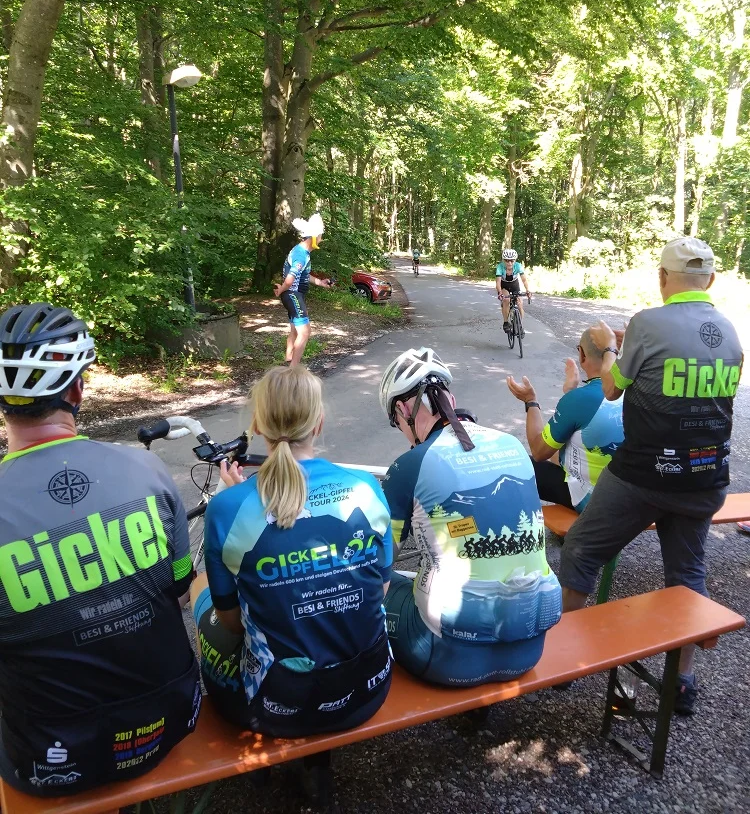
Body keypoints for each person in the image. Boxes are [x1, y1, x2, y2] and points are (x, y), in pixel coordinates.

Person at [0, 304, 200, 797]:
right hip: (170, 719)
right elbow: (180, 588)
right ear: (75, 389)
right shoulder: (148, 472)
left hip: (47, 758)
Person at [558, 238, 743, 715]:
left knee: (582, 549)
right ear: (712, 281)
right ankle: (682, 683)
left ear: (662, 279)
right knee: (687, 575)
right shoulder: (731, 333)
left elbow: (612, 390)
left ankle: (560, 661)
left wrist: (616, 348)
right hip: (705, 479)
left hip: (643, 476)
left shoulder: (646, 322)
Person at [194, 365, 393, 747]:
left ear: (257, 424)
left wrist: (237, 498)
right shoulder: (366, 487)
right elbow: (379, 590)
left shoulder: (229, 508)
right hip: (367, 689)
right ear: (318, 423)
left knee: (203, 595)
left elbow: (233, 624)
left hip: (276, 705)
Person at [379, 348, 561, 687]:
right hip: (529, 650)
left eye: (397, 423)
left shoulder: (410, 464)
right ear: (451, 396)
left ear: (404, 409)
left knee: (376, 591)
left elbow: (378, 566)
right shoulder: (512, 444)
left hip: (444, 661)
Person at [506, 329, 624, 512]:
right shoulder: (637, 389)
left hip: (596, 501)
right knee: (565, 442)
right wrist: (571, 393)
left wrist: (531, 401)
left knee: (515, 464)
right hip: (632, 496)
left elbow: (539, 451)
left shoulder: (580, 399)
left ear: (582, 355)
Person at [274, 212, 333, 366]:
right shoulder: (301, 255)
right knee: (305, 331)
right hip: (293, 295)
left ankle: (288, 360)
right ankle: (293, 369)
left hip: (292, 294)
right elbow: (290, 279)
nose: (321, 239)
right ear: (313, 237)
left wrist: (320, 282)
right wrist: (281, 290)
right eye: (320, 236)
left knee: (294, 330)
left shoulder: (303, 252)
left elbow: (303, 275)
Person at [496, 248, 532, 333]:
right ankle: (505, 322)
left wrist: (527, 290)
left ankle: (520, 326)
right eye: (507, 261)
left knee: (520, 304)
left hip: (514, 284)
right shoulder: (500, 267)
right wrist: (500, 292)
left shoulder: (518, 266)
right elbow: (498, 282)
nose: (509, 263)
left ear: (515, 260)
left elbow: (524, 280)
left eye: (512, 261)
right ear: (504, 260)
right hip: (504, 285)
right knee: (506, 300)